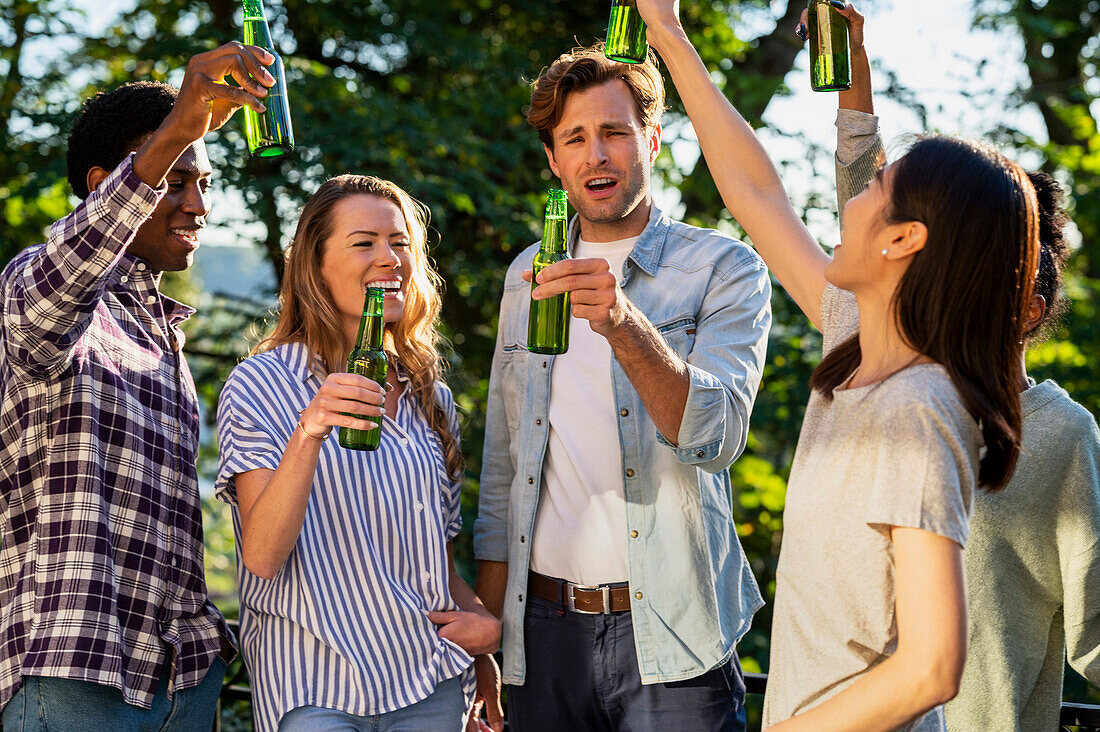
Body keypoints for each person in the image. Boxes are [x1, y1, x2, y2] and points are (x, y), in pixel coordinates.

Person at [637, 1, 1041, 729]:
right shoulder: (852, 343)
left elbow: (931, 666)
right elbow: (756, 192)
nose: (851, 207)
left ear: (904, 239)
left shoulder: (919, 409)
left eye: (875, 196)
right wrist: (668, 35)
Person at [473, 44, 772, 732]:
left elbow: (716, 438)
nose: (595, 154)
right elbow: (503, 468)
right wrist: (493, 637)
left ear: (652, 141)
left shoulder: (723, 268)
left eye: (614, 132)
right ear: (554, 160)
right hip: (542, 634)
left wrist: (622, 324)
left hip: (672, 630)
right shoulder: (528, 274)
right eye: (575, 138)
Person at [824, 13, 1100, 729]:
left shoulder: (1064, 436)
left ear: (1031, 311)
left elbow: (1097, 635)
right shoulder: (899, 381)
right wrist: (853, 63)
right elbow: (862, 194)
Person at [0, 43, 275, 731]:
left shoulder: (163, 333)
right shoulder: (39, 289)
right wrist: (177, 128)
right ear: (104, 185)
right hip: (73, 679)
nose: (198, 204)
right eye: (177, 181)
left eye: (205, 183)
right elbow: (61, 281)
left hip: (181, 684)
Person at [214, 174, 500, 732]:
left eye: (400, 243)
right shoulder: (262, 383)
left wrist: (486, 631)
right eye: (364, 242)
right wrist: (311, 429)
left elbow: (428, 559)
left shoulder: (429, 397)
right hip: (314, 683)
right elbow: (263, 557)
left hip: (426, 678)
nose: (388, 258)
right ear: (315, 266)